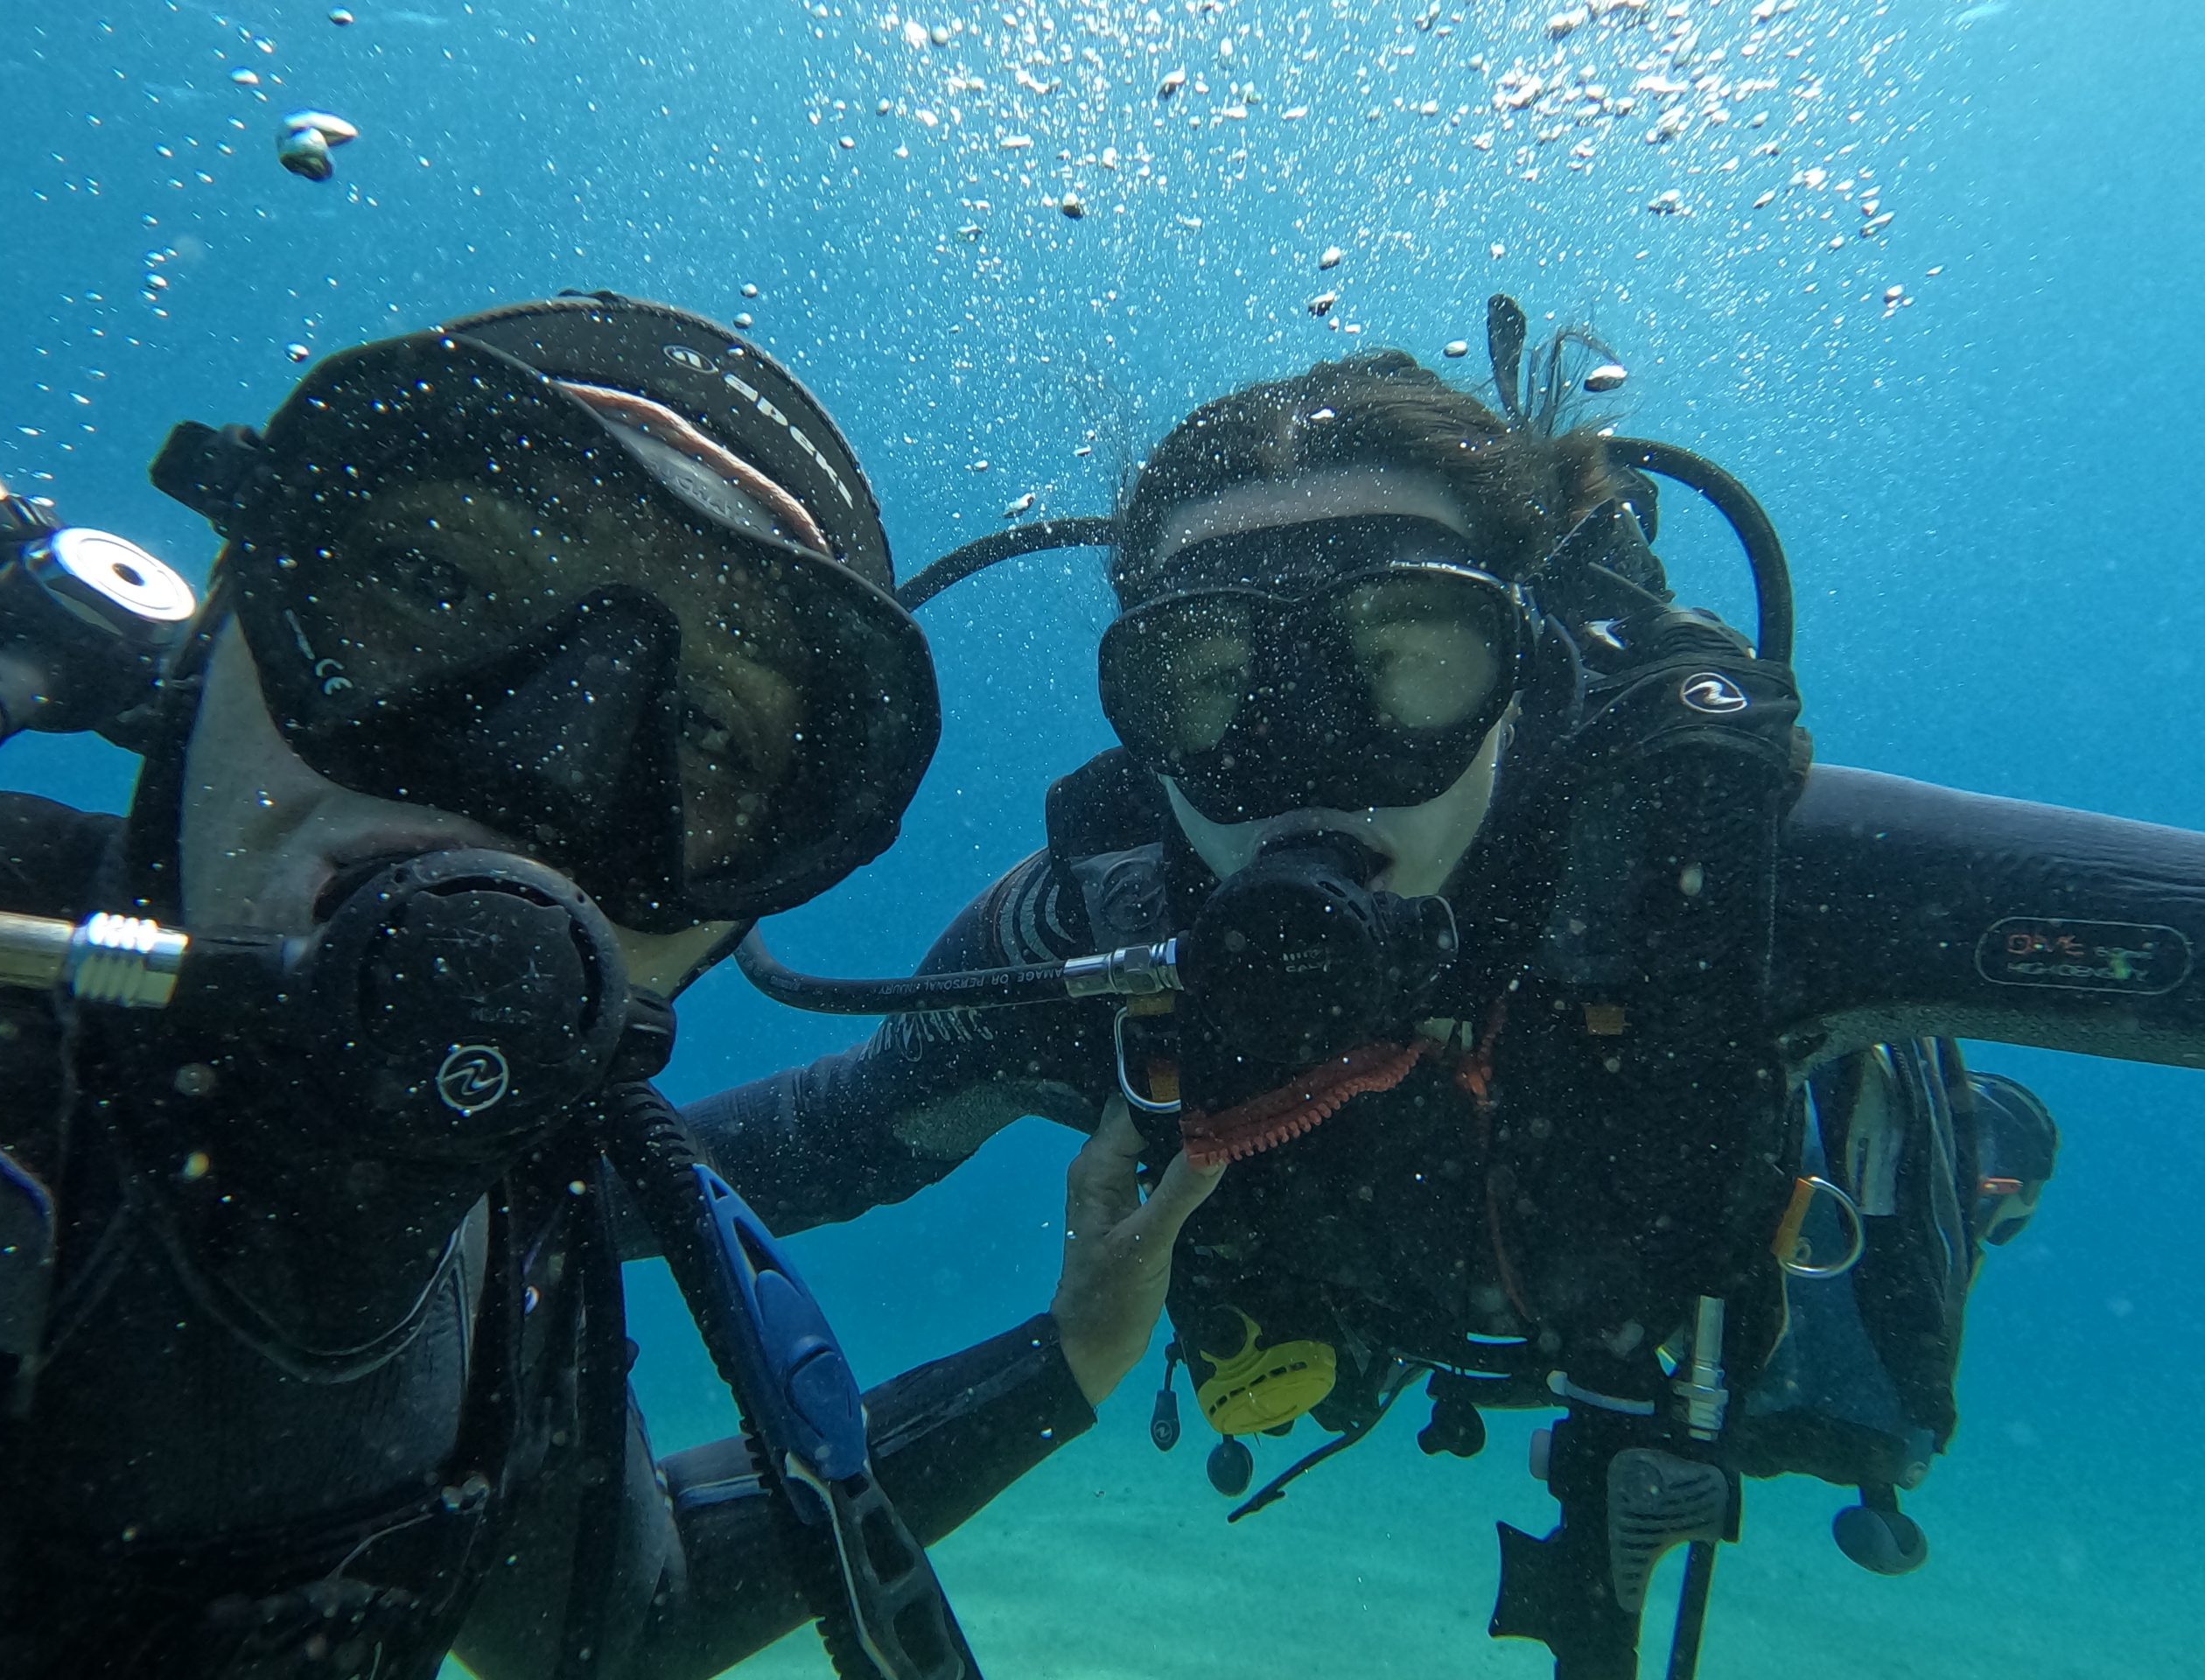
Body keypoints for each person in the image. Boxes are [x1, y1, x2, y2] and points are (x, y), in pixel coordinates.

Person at [690, 303, 2203, 1679]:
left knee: (1900, 1237)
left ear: (1520, 663)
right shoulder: (1097, 937)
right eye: (1211, 679)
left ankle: (1979, 1139)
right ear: (1139, 716)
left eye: (1405, 656)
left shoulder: (1712, 868)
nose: (1299, 760)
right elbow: (813, 1142)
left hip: (1682, 1299)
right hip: (1410, 1301)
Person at [0, 290, 1222, 1680]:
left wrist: (1068, 1362)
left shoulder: (523, 1225)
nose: (538, 779)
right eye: (435, 586)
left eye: (700, 729)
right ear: (215, 640)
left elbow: (627, 1617)